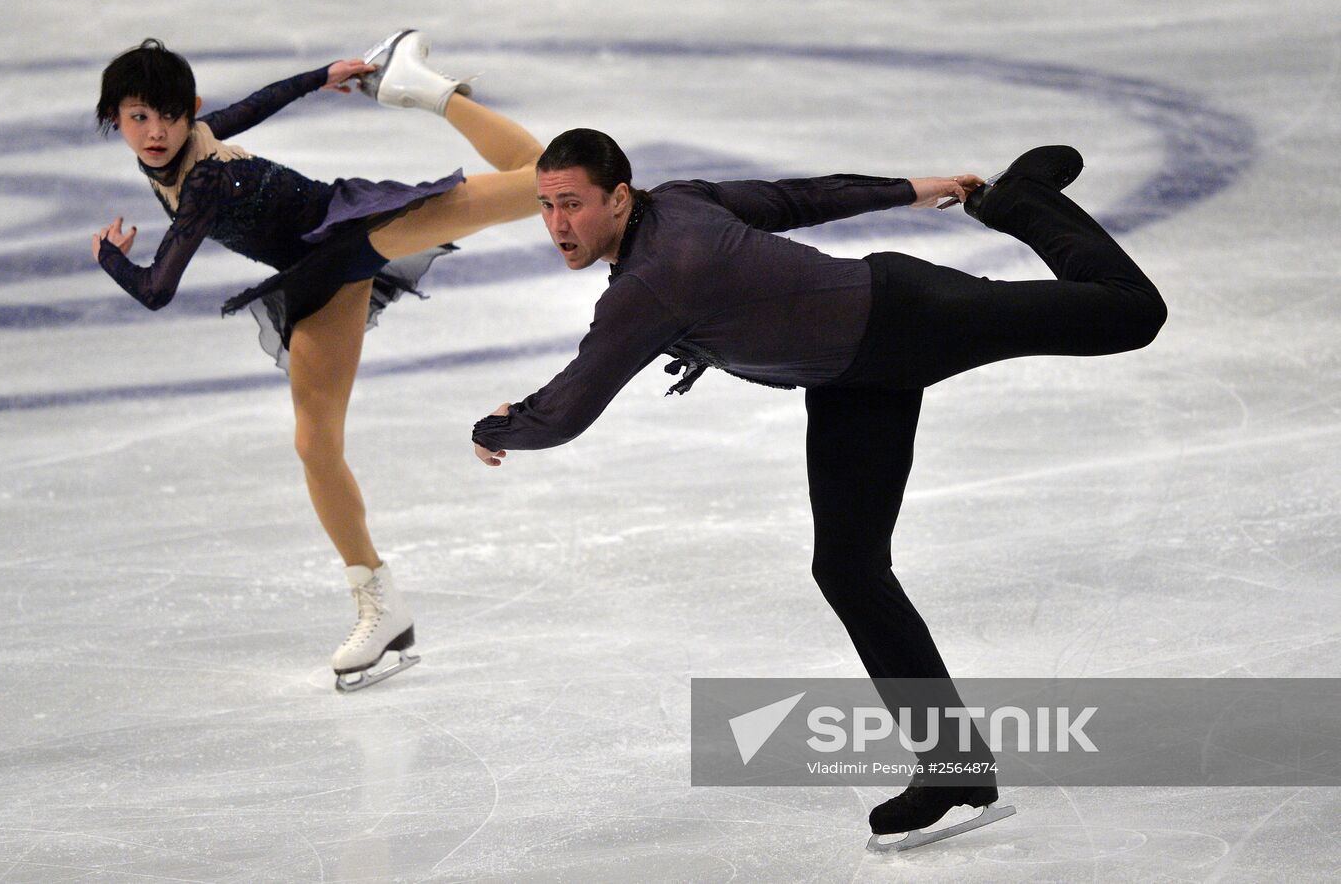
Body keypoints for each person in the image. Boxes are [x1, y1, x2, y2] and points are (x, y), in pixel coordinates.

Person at [470, 130, 1167, 843]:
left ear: (619, 197)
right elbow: (797, 199)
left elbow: (569, 410)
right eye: (546, 205)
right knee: (848, 568)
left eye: (573, 204)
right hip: (851, 379)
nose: (558, 224)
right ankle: (953, 765)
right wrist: (913, 188)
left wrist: (498, 428)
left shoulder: (653, 279)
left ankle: (1026, 201)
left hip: (911, 315)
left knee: (1131, 312)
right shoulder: (673, 211)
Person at [91, 31, 545, 691]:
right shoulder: (181, 147)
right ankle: (380, 603)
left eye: (168, 116)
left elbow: (158, 289)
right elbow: (260, 102)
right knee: (315, 444)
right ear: (116, 120)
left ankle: (430, 92)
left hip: (357, 227)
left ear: (189, 111)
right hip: (319, 272)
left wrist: (109, 256)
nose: (155, 132)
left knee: (546, 181)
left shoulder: (205, 178)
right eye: (139, 118)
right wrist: (318, 76)